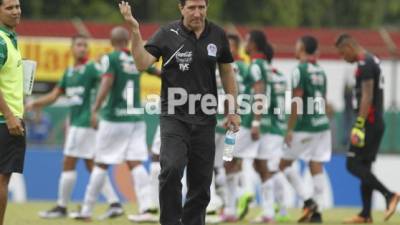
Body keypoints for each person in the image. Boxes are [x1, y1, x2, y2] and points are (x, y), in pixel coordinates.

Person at [119, 0, 240, 225]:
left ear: (207, 8)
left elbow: (227, 72)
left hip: (205, 119)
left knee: (202, 184)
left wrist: (233, 110)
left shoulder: (218, 35)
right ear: (181, 8)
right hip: (174, 117)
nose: (197, 13)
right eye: (192, 8)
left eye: (201, 7)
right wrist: (135, 30)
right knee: (171, 170)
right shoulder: (166, 34)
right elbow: (142, 63)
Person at [26, 34, 123, 220]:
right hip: (79, 124)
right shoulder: (69, 72)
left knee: (69, 162)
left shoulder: (90, 68)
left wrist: (103, 65)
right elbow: (54, 95)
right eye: (79, 45)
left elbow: (107, 79)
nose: (82, 48)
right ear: (72, 48)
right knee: (91, 165)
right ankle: (114, 203)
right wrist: (34, 104)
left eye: (85, 45)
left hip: (84, 123)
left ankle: (62, 206)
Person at [72, 26, 158, 222]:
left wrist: (94, 109)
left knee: (101, 163)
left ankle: (86, 210)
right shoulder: (137, 57)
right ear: (128, 41)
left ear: (111, 42)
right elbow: (158, 72)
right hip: (135, 118)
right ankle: (147, 208)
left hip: (113, 119)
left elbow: (106, 83)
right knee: (136, 163)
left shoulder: (110, 59)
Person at [335, 34, 400, 223]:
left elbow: (367, 96)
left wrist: (359, 125)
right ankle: (366, 214)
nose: (343, 58)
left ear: (348, 47)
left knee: (352, 164)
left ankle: (389, 195)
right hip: (375, 122)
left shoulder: (364, 64)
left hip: (368, 123)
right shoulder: (373, 59)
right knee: (364, 167)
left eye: (342, 54)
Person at [279, 35, 331, 223]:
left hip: (305, 125)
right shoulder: (320, 70)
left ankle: (309, 201)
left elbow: (297, 100)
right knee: (315, 164)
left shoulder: (299, 69)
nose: (295, 47)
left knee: (283, 165)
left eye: (297, 44)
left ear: (302, 48)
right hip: (322, 124)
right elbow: (323, 99)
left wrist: (290, 128)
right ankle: (317, 213)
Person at [244, 30, 289, 223]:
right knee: (260, 165)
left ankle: (241, 198)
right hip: (269, 123)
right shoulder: (269, 69)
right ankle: (270, 209)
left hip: (255, 123)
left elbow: (260, 93)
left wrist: (255, 121)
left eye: (246, 41)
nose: (244, 44)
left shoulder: (254, 66)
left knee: (228, 157)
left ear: (253, 44)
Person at [0, 1, 24, 224]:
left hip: (9, 118)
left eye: (17, 6)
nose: (16, 11)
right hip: (4, 121)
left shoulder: (11, 39)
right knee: (1, 180)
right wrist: (9, 116)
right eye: (9, 7)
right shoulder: (1, 40)